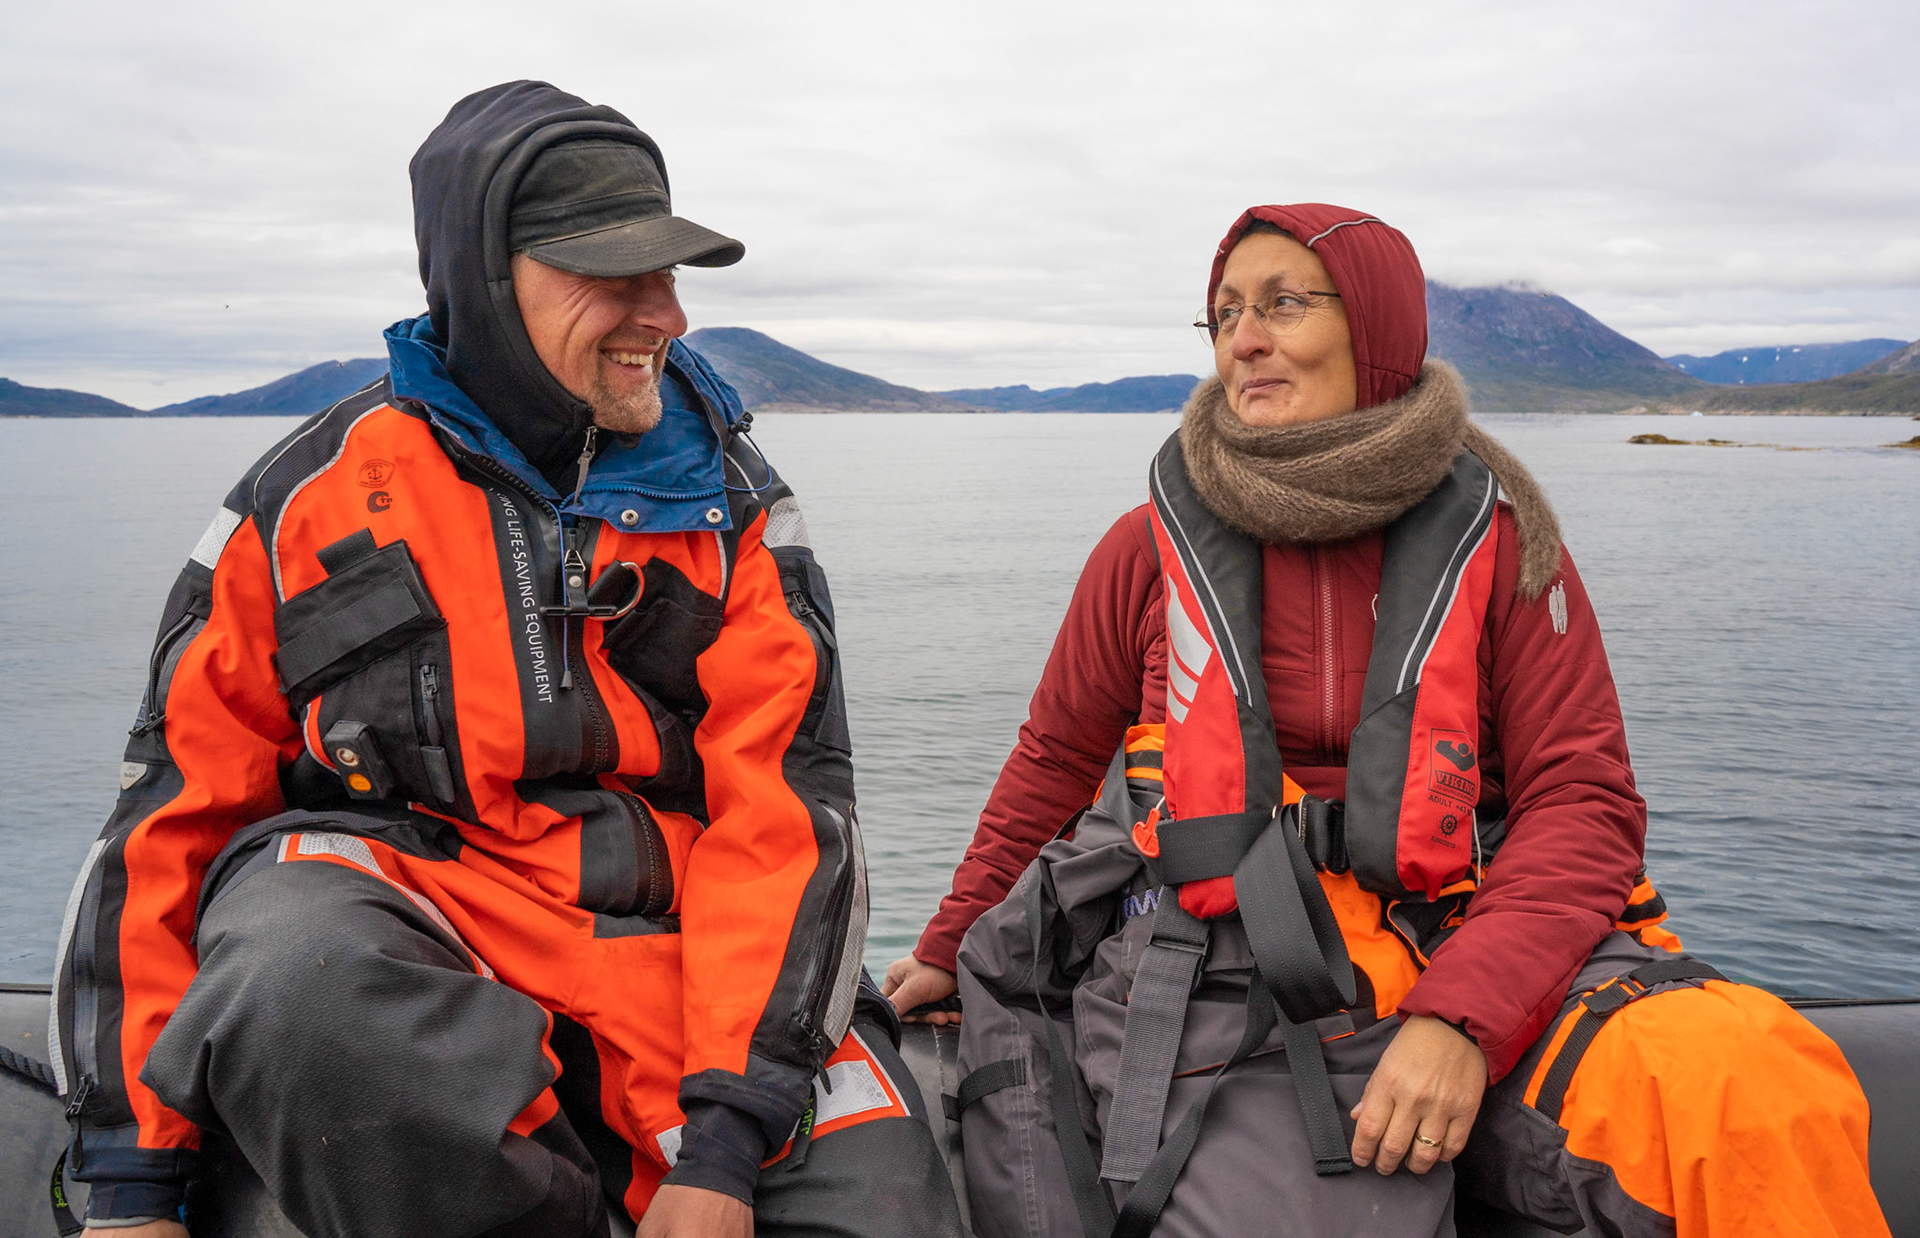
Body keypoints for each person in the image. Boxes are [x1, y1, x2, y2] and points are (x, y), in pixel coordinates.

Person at [52, 80, 964, 1238]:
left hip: (685, 968)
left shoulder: (737, 509)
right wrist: (130, 1185)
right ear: (484, 280)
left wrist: (730, 1135)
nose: (665, 314)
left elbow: (786, 815)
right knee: (294, 978)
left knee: (886, 1210)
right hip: (421, 930)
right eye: (615, 274)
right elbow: (168, 821)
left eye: (669, 274)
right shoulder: (301, 506)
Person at [885, 204, 1888, 1235]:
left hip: (1485, 927)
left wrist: (1464, 1016)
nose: (1245, 338)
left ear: (1379, 329)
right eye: (1225, 313)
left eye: (1283, 303)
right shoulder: (1145, 552)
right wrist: (953, 933)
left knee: (1753, 1091)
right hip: (1239, 970)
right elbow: (1055, 758)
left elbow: (1581, 802)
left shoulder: (1502, 545)